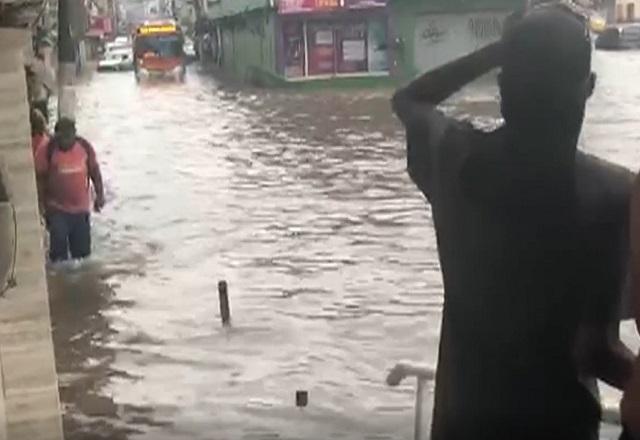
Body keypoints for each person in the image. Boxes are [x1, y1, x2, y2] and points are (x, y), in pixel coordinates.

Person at [391, 5, 635, 440]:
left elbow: (410, 99)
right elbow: (596, 351)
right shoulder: (615, 195)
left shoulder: (454, 163)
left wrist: (498, 52)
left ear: (503, 88)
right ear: (589, 88)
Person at [35, 118, 105, 262]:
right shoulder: (47, 150)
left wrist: (100, 196)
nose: (66, 141)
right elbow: (40, 180)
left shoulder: (84, 147)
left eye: (69, 136)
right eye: (62, 137)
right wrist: (41, 206)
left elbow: (95, 172)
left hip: (81, 210)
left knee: (83, 258)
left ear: (74, 134)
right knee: (58, 258)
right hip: (57, 210)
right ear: (56, 136)